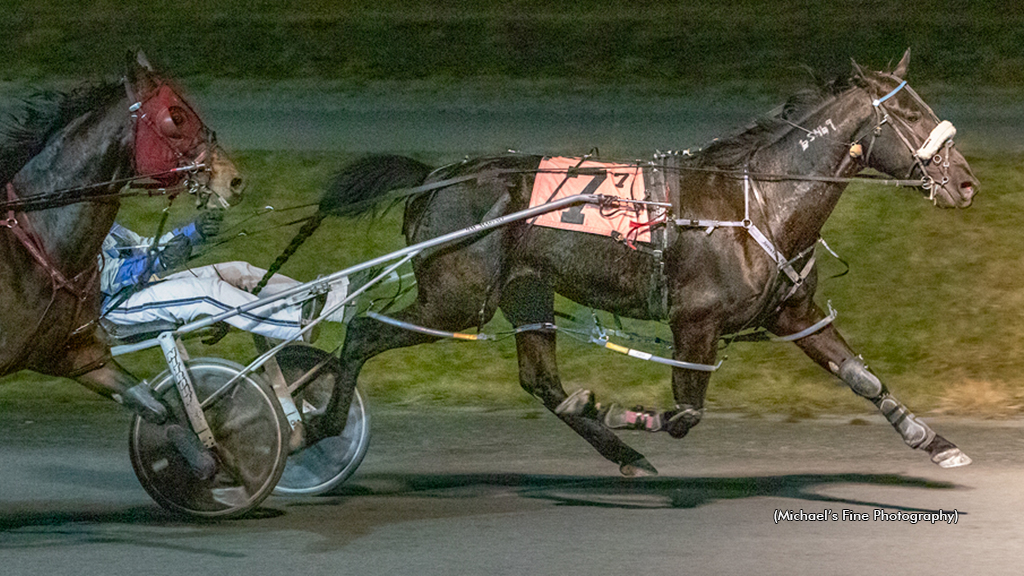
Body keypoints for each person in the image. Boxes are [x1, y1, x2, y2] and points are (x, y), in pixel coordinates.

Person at [99, 212, 349, 342]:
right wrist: (159, 261)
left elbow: (142, 247)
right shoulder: (68, 226)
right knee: (207, 292)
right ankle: (295, 323)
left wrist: (193, 232)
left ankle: (333, 300)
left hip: (140, 287)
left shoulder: (102, 221)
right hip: (115, 307)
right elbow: (101, 278)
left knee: (236, 271)